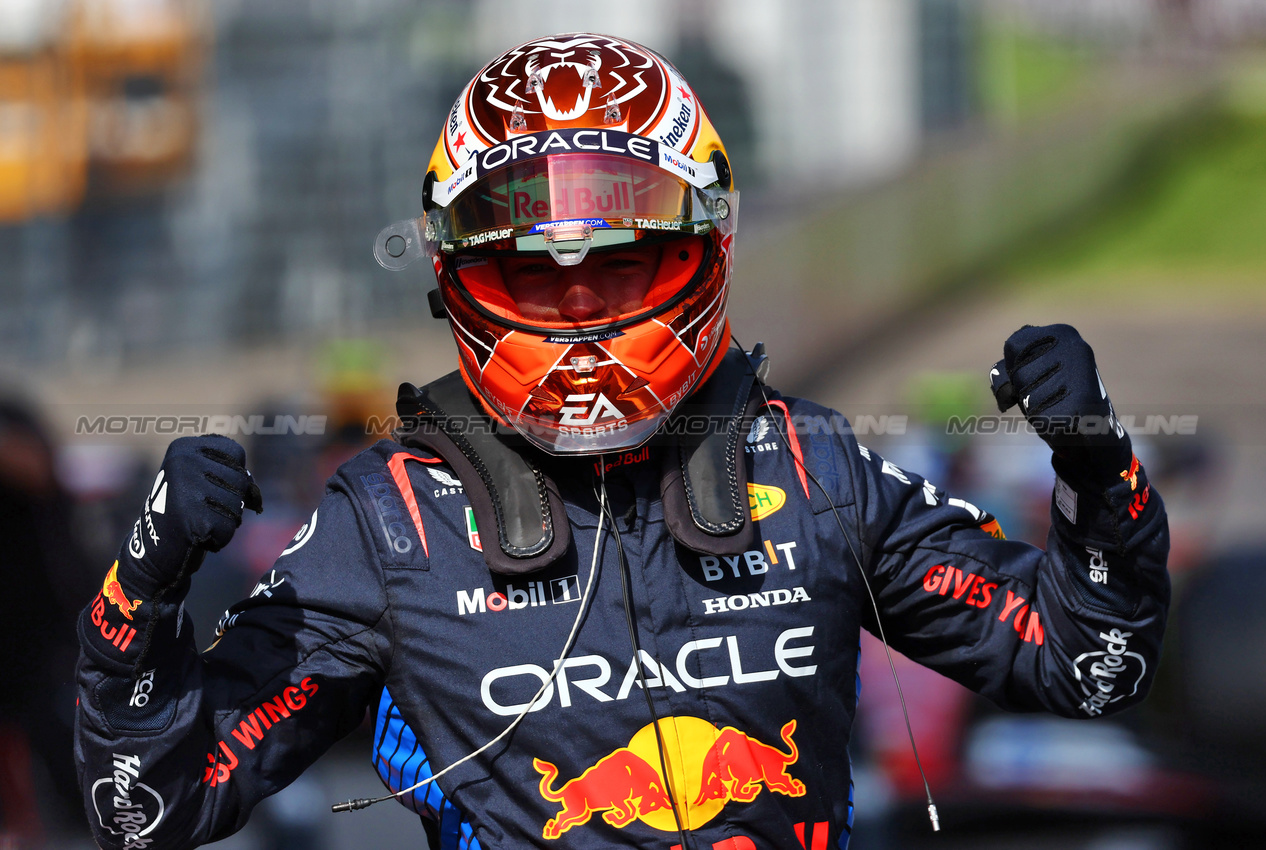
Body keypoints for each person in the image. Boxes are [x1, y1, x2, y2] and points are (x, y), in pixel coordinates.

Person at [74, 33, 1170, 850]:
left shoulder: (814, 468)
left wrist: (1095, 464)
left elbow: (1085, 666)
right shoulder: (388, 520)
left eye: (622, 265)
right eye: (535, 277)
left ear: (699, 250)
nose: (584, 311)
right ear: (461, 280)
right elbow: (147, 803)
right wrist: (143, 597)